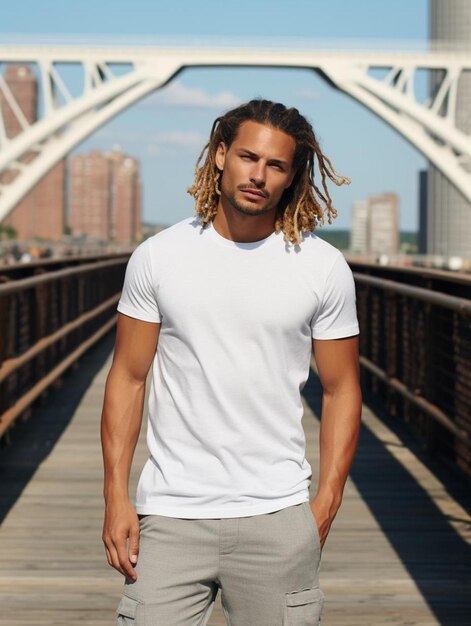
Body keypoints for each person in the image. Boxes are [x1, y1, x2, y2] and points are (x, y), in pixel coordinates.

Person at [101, 98, 362, 626]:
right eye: (247, 157)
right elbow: (129, 377)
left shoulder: (322, 267)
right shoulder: (159, 256)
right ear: (221, 156)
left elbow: (342, 389)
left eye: (276, 165)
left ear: (292, 177)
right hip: (171, 515)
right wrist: (115, 496)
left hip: (278, 516)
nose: (258, 175)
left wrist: (325, 505)